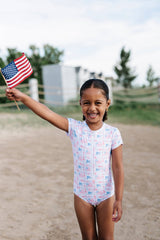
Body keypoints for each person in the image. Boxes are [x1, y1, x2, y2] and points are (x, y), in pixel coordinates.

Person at [6, 79, 124, 240]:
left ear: (107, 104)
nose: (92, 108)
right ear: (80, 103)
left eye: (98, 103)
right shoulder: (75, 128)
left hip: (106, 196)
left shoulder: (113, 133)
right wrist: (24, 98)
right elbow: (47, 113)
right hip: (82, 196)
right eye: (86, 103)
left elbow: (117, 168)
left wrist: (119, 199)